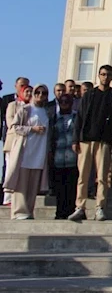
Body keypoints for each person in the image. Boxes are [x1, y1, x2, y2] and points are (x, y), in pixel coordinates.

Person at [68, 66, 112, 222]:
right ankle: (80, 207)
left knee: (103, 176)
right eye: (103, 74)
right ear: (99, 76)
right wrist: (75, 139)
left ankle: (100, 207)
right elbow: (79, 117)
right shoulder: (89, 95)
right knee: (83, 175)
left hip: (104, 141)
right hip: (86, 139)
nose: (105, 77)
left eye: (108, 75)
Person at [5, 84, 50, 219]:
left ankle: (29, 211)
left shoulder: (46, 112)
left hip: (39, 151)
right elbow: (15, 127)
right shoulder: (25, 109)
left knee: (32, 185)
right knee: (21, 184)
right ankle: (19, 211)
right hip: (25, 150)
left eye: (43, 93)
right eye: (38, 92)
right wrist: (32, 129)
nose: (40, 95)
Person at [49, 93, 79, 219]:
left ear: (72, 103)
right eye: (62, 102)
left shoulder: (77, 117)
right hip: (59, 157)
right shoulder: (54, 118)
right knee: (60, 188)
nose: (65, 104)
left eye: (67, 102)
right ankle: (60, 212)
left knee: (72, 187)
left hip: (73, 157)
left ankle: (70, 211)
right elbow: (51, 137)